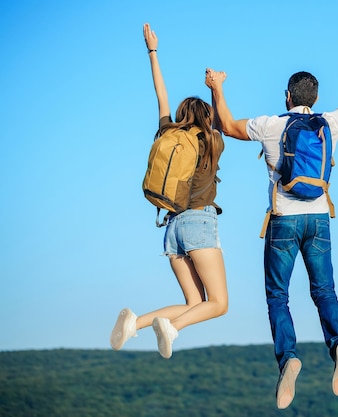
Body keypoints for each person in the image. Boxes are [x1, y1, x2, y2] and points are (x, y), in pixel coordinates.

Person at [204, 48, 338, 409]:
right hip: (319, 218)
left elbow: (227, 124)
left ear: (287, 96)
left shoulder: (271, 125)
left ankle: (289, 359)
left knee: (278, 297)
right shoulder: (330, 122)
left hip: (283, 220)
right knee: (324, 291)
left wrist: (216, 87)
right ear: (315, 99)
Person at [109, 23, 228, 359]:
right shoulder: (210, 139)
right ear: (206, 118)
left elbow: (160, 94)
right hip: (199, 224)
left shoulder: (166, 132)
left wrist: (152, 51)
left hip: (171, 229)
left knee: (195, 303)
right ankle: (171, 329)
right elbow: (223, 119)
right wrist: (216, 87)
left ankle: (135, 324)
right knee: (218, 304)